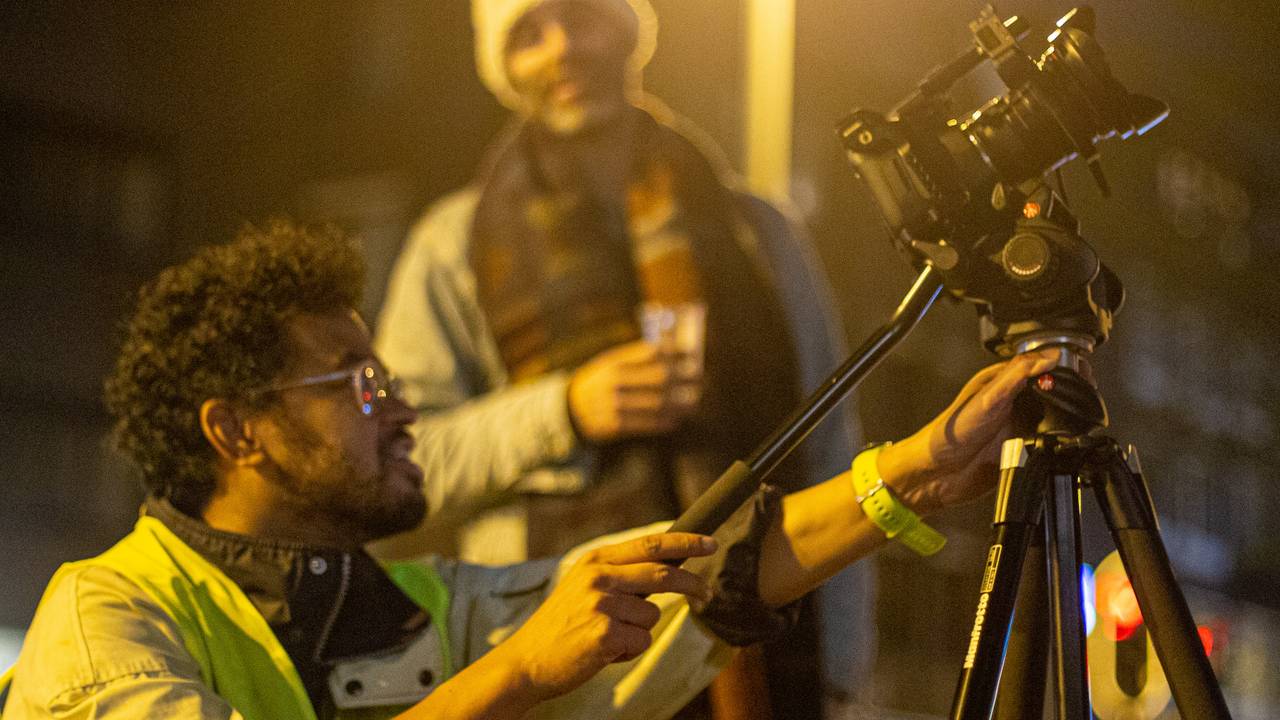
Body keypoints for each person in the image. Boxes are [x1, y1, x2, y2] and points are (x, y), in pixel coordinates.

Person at [2, 222, 1061, 719]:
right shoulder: (105, 620)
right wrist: (516, 672)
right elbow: (532, 655)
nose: (403, 404)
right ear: (235, 432)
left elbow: (705, 571)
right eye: (356, 384)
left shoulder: (417, 608)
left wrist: (915, 472)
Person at [374, 0, 865, 713]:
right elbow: (399, 469)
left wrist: (841, 668)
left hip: (761, 655)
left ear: (633, 26)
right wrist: (564, 411)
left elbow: (829, 449)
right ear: (500, 65)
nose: (564, 47)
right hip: (564, 679)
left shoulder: (757, 232)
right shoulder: (454, 244)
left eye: (584, 16)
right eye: (529, 35)